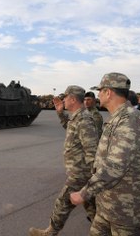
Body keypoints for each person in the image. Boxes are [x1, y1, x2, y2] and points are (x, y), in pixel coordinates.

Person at [70, 72, 140, 235]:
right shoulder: (117, 118)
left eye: (100, 91)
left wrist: (84, 193)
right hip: (109, 204)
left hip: (128, 211)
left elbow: (115, 166)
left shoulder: (130, 121)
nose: (98, 95)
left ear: (108, 92)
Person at [29, 85, 99, 236]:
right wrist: (61, 113)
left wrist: (91, 177)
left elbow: (92, 152)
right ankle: (103, 230)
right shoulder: (76, 117)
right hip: (80, 172)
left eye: (65, 97)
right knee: (91, 204)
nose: (63, 100)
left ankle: (50, 232)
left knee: (63, 202)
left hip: (81, 173)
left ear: (73, 99)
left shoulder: (84, 119)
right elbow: (68, 127)